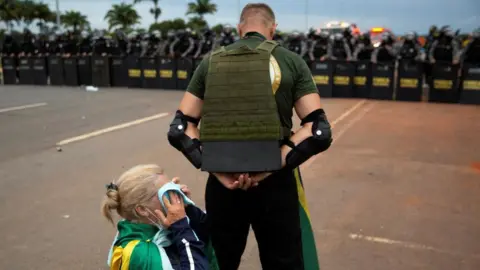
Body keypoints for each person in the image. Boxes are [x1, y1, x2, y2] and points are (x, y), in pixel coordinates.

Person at [168, 3, 331, 270]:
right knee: (283, 262)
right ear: (273, 29)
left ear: (239, 28)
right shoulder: (291, 61)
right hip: (277, 183)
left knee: (221, 261)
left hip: (222, 182)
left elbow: (180, 127)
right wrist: (273, 166)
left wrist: (216, 169)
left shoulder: (211, 61)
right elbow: (319, 130)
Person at [102, 164, 217, 270]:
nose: (173, 194)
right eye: (165, 192)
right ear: (142, 210)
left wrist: (188, 209)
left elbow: (211, 237)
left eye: (171, 187)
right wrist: (181, 227)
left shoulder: (154, 225)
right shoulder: (140, 253)